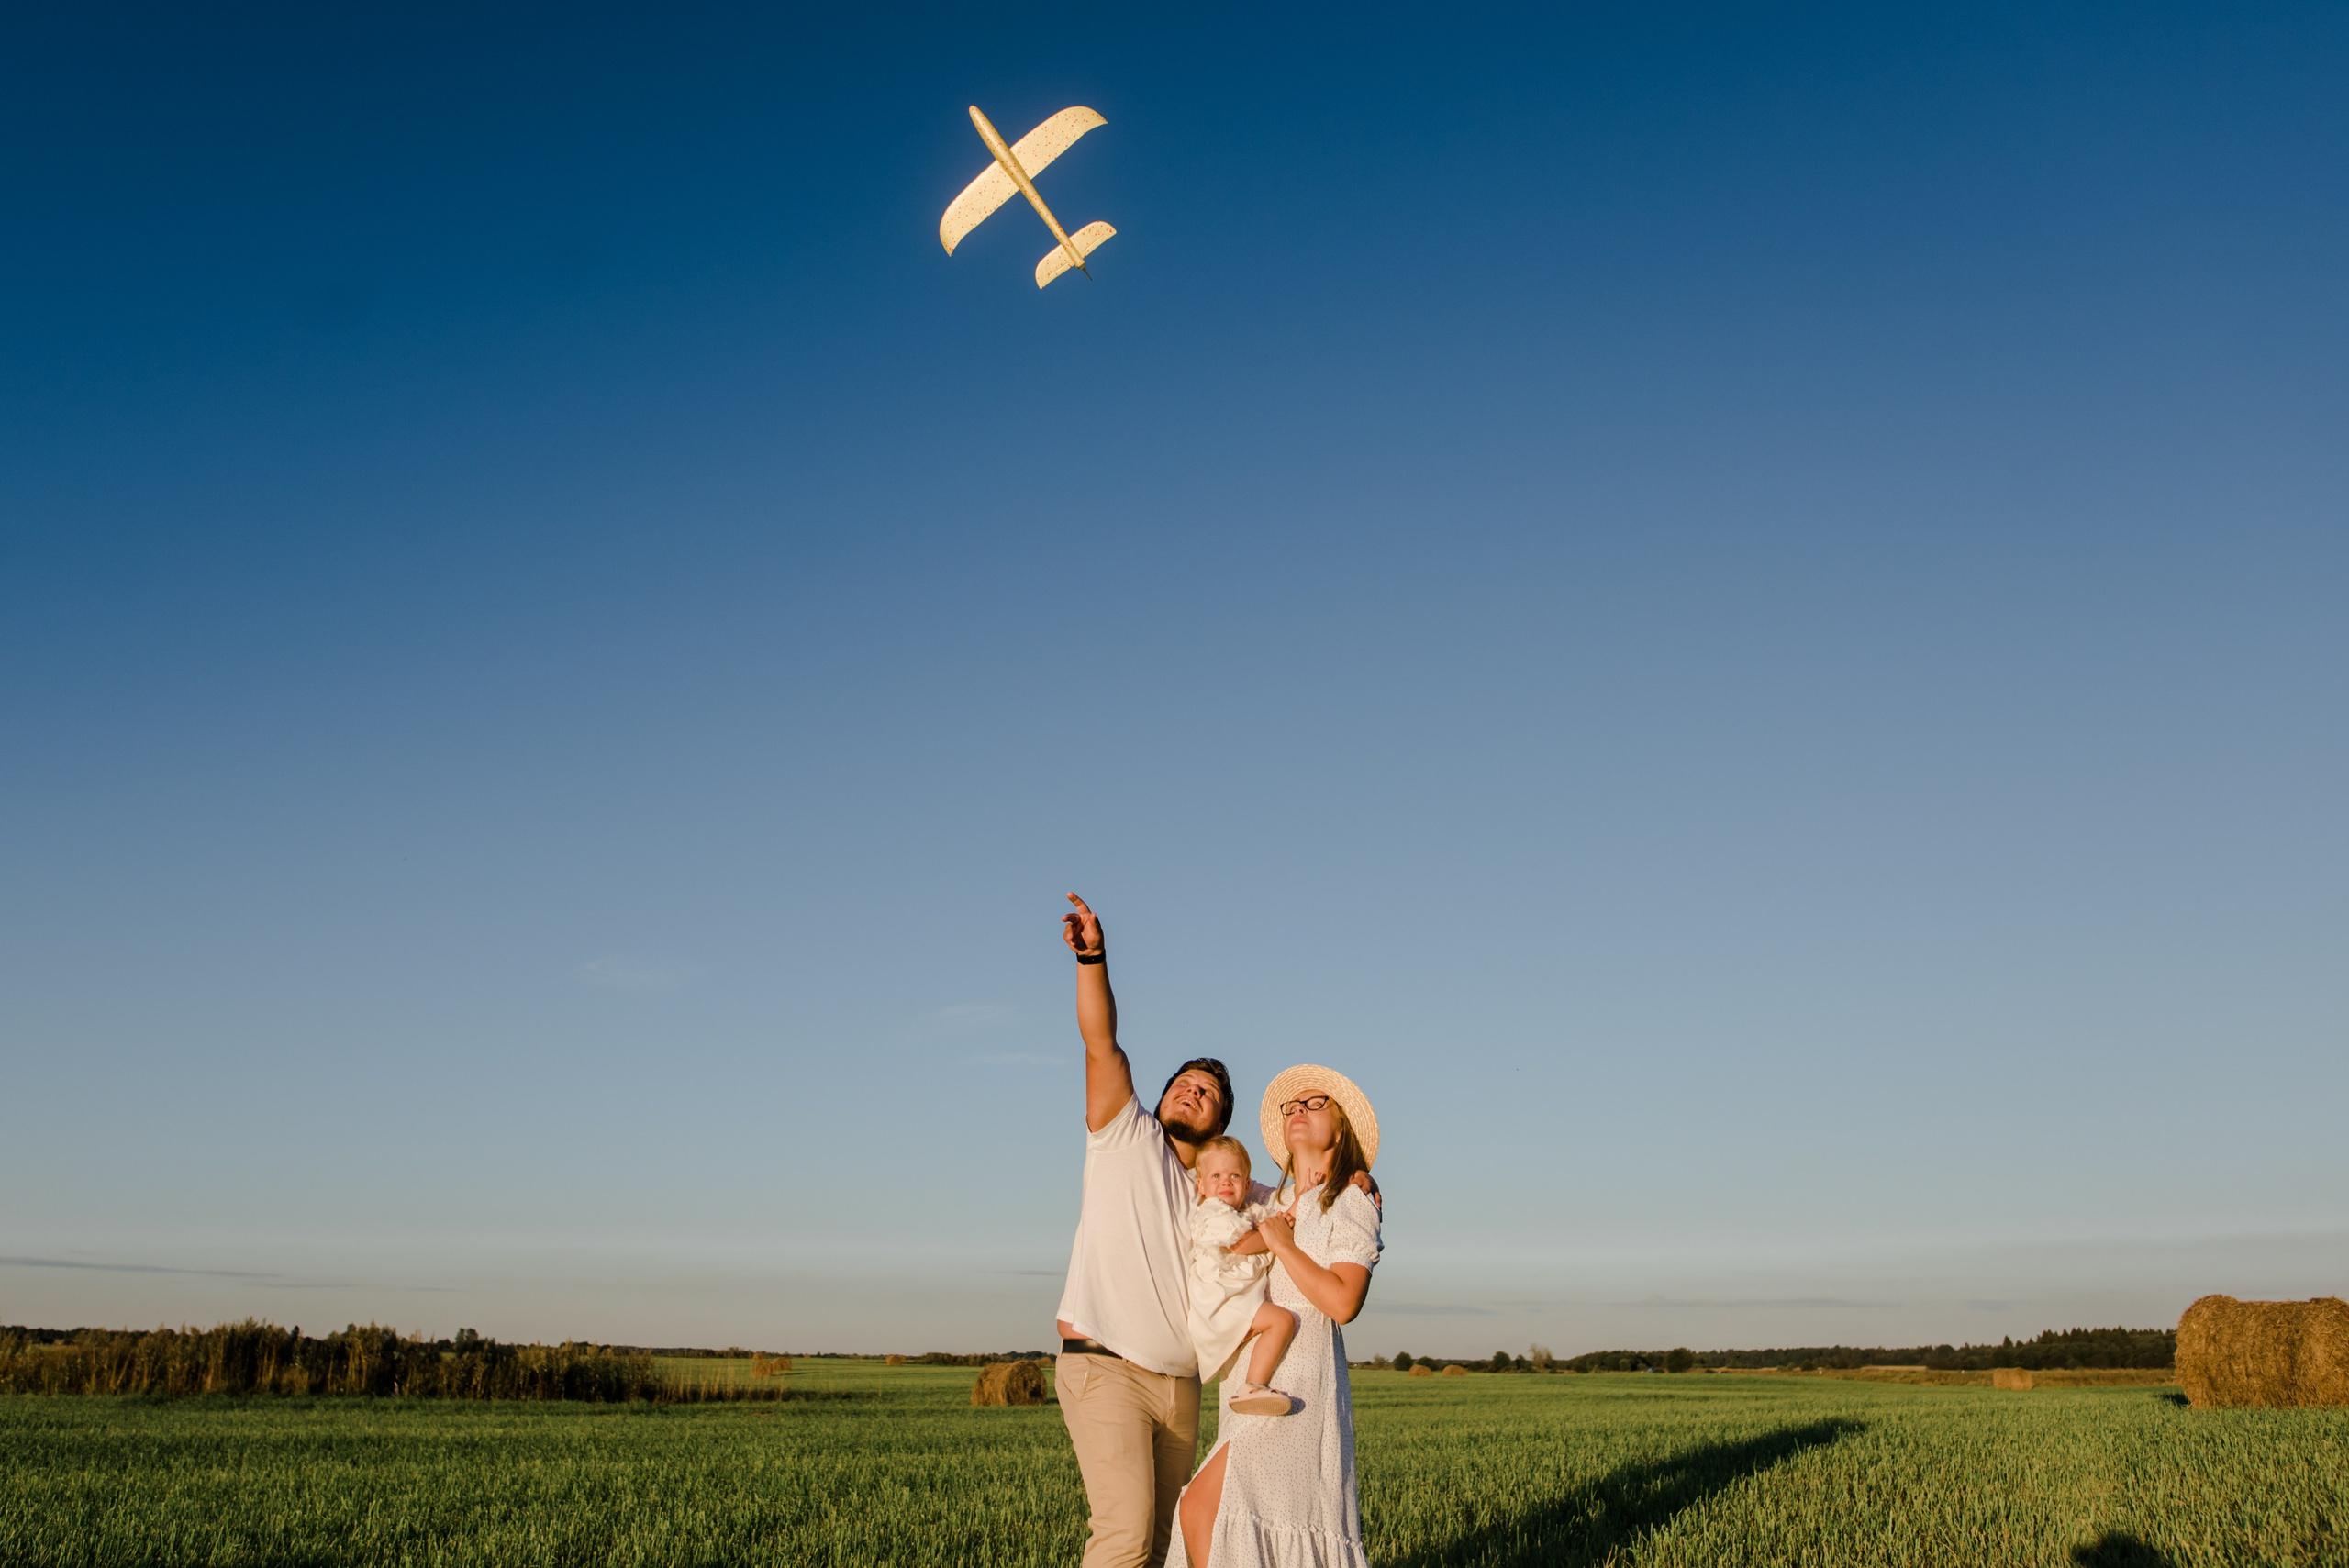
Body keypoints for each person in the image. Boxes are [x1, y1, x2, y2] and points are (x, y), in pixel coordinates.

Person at [1053, 892, 1237, 1568]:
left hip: (1180, 1387)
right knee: (1124, 1540)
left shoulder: (1218, 1193)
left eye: (1208, 1091)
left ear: (1219, 1125)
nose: (1193, 1089)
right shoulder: (1124, 1133)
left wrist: (1355, 1179)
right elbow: (1101, 1041)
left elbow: (1300, 1202)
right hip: (1107, 1369)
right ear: (1159, 1096)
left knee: (1161, 1548)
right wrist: (1093, 957)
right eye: (1184, 1082)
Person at [1170, 1064, 1384, 1568]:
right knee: (1213, 1515)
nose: (1298, 1111)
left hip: (1299, 1383)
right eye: (1292, 1105)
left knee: (1205, 1509)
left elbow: (1343, 1302)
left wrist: (1282, 1244)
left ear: (1343, 1126)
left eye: (1315, 1104)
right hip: (1250, 1382)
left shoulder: (1351, 1200)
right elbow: (1213, 1178)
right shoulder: (1275, 1199)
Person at [1185, 1136, 1298, 1418]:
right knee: (1281, 1321)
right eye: (1216, 1176)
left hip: (1236, 1297)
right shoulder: (1213, 1214)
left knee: (1278, 1321)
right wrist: (1278, 1234)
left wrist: (1295, 1207)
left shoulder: (1249, 1211)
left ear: (1247, 1185)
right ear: (1201, 1185)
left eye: (1235, 1175)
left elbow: (1278, 1221)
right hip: (1220, 1300)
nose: (1226, 1182)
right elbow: (1247, 1244)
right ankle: (1252, 1386)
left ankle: (1251, 1383)